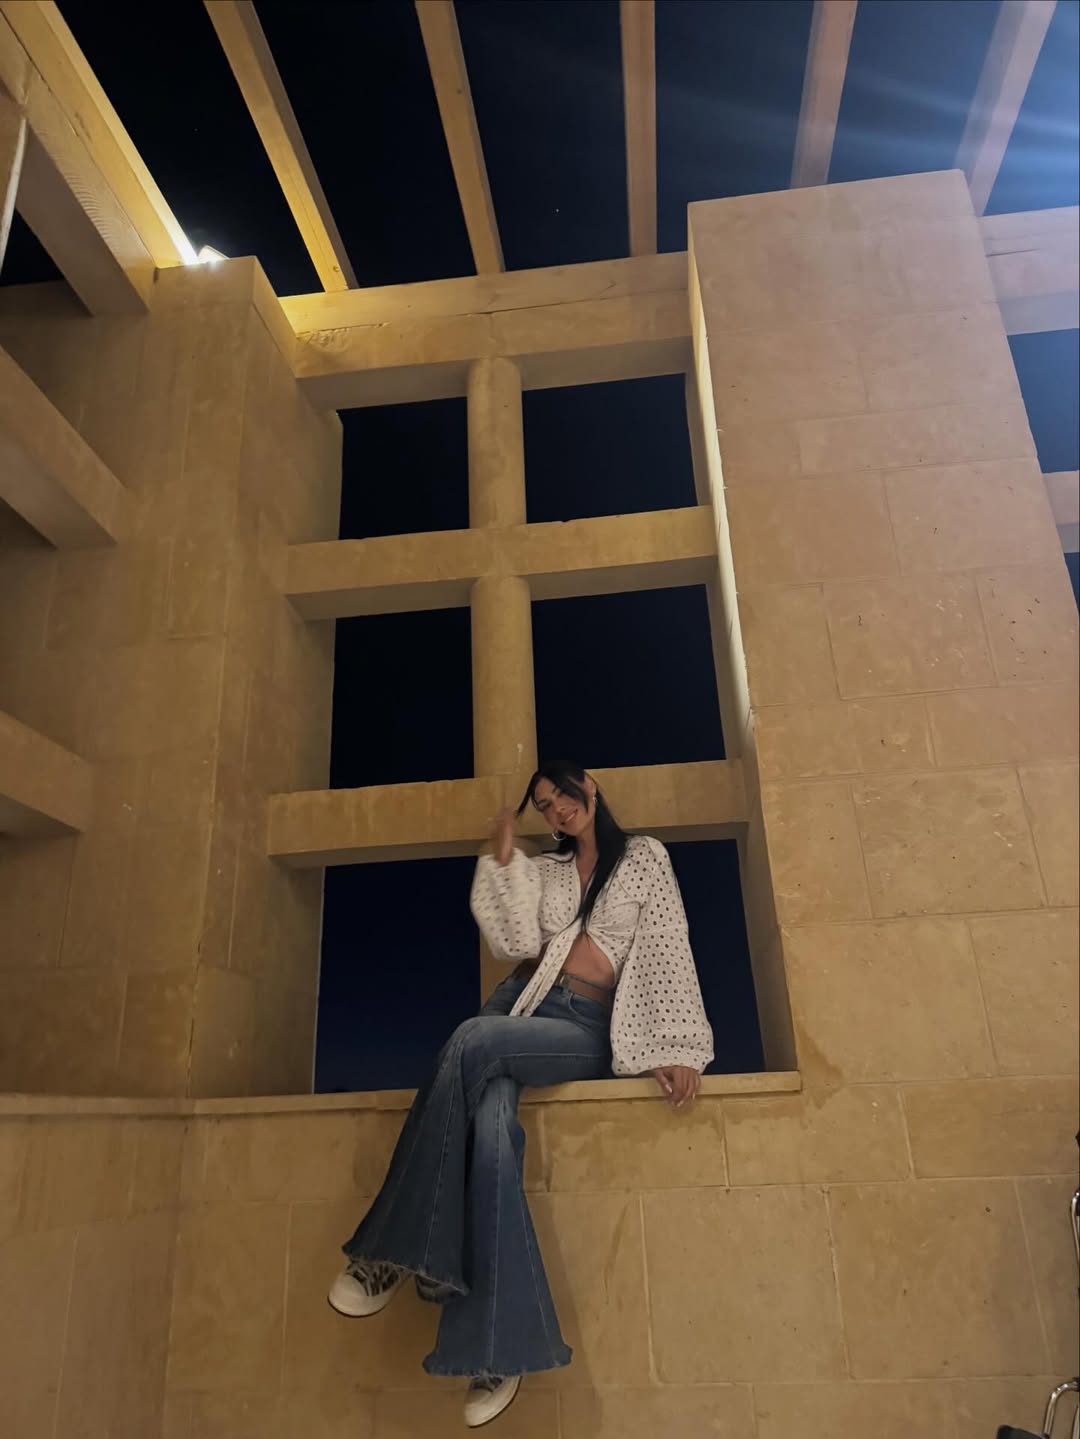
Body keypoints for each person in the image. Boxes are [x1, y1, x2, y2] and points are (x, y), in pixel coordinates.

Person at [327, 760, 714, 1428]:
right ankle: (499, 1350)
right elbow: (513, 941)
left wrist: (676, 1041)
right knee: (492, 1133)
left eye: (563, 793)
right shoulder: (548, 870)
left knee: (469, 1039)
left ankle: (394, 1251)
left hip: (584, 1024)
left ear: (589, 786)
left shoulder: (644, 856)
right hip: (523, 1006)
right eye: (543, 803)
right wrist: (505, 860)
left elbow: (665, 941)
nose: (557, 807)